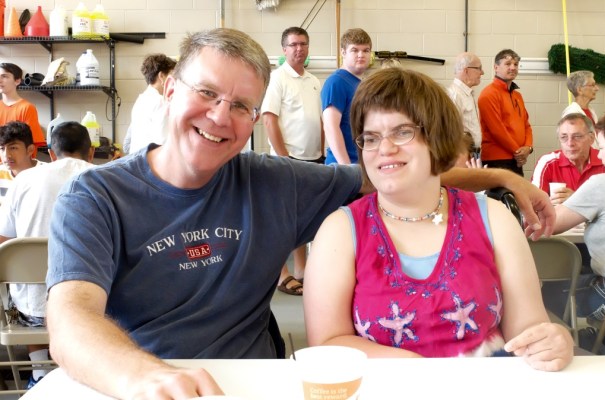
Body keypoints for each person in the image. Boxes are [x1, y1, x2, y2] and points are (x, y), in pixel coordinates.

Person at [45, 28, 556, 400]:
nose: (220, 116)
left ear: (255, 119)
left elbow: (396, 173)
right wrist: (144, 377)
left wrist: (503, 179)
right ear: (170, 89)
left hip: (256, 384)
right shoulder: (96, 196)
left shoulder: (273, 182)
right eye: (207, 93)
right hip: (135, 383)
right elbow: (70, 322)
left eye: (241, 106)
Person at [304, 67, 572, 372]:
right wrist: (424, 373)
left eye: (402, 132)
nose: (385, 149)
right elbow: (327, 342)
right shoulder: (340, 230)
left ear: (436, 137)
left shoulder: (494, 219)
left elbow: (527, 330)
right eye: (371, 138)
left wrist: (551, 341)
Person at [0, 121, 94, 388]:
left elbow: (3, 241)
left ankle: (40, 371)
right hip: (96, 310)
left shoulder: (24, 179)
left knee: (33, 291)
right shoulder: (109, 178)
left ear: (51, 154)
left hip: (35, 315)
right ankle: (81, 375)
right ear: (91, 153)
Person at [261, 26, 324, 295]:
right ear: (284, 50)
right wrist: (284, 158)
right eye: (294, 44)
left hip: (313, 158)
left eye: (303, 44)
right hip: (288, 160)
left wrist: (322, 151)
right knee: (283, 220)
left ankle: (301, 269)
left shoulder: (313, 80)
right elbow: (269, 119)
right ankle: (281, 274)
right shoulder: (278, 78)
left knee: (304, 218)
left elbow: (320, 120)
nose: (299, 49)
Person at [545, 112, 605, 345]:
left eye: (603, 147)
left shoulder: (602, 184)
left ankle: (581, 345)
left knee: (548, 293)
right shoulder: (549, 162)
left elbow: (550, 224)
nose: (600, 154)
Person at [478, 49, 533, 176]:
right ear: (496, 67)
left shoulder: (517, 96)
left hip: (516, 158)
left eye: (515, 64)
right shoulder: (488, 94)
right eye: (508, 64)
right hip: (496, 160)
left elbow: (526, 125)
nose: (513, 67)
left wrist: (528, 148)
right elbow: (497, 130)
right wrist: (519, 152)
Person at [322, 28, 372, 165]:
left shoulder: (360, 84)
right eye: (355, 50)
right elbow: (331, 127)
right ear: (343, 52)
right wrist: (346, 167)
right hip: (343, 166)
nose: (361, 55)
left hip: (359, 164)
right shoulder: (336, 82)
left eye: (366, 50)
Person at [531, 113, 605, 205]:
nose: (570, 143)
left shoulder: (604, 160)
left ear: (591, 138)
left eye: (577, 136)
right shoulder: (548, 163)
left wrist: (577, 199)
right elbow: (533, 204)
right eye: (564, 137)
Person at [123, 54, 177, 154]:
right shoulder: (160, 102)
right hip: (151, 160)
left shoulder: (141, 99)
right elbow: (163, 144)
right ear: (161, 76)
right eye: (172, 76)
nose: (174, 82)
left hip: (138, 159)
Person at [0, 63, 46, 156]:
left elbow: (31, 146)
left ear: (17, 81)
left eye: (4, 76)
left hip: (17, 163)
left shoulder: (27, 108)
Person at [447, 52, 484, 154]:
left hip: (472, 153)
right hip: (463, 154)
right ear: (466, 70)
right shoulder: (455, 95)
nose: (482, 72)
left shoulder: (465, 93)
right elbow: (451, 131)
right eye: (479, 68)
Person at [0, 121, 44, 200]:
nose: (6, 155)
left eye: (13, 148)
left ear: (30, 150)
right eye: (2, 148)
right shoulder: (1, 173)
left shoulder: (46, 173)